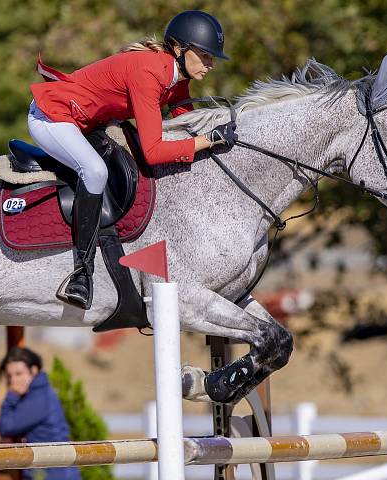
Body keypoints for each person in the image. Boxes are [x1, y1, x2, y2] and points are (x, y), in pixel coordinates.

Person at [28, 10, 237, 310]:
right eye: (205, 56)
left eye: (211, 57)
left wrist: (222, 134)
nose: (211, 64)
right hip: (51, 115)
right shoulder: (150, 72)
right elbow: (154, 151)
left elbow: (186, 123)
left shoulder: (177, 77)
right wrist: (209, 140)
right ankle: (80, 274)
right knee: (95, 171)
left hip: (86, 123)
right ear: (179, 50)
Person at [0, 347, 81, 480]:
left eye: (19, 373)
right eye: (10, 375)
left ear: (34, 371)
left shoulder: (39, 397)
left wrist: (10, 397)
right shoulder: (36, 394)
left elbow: (7, 426)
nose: (13, 381)